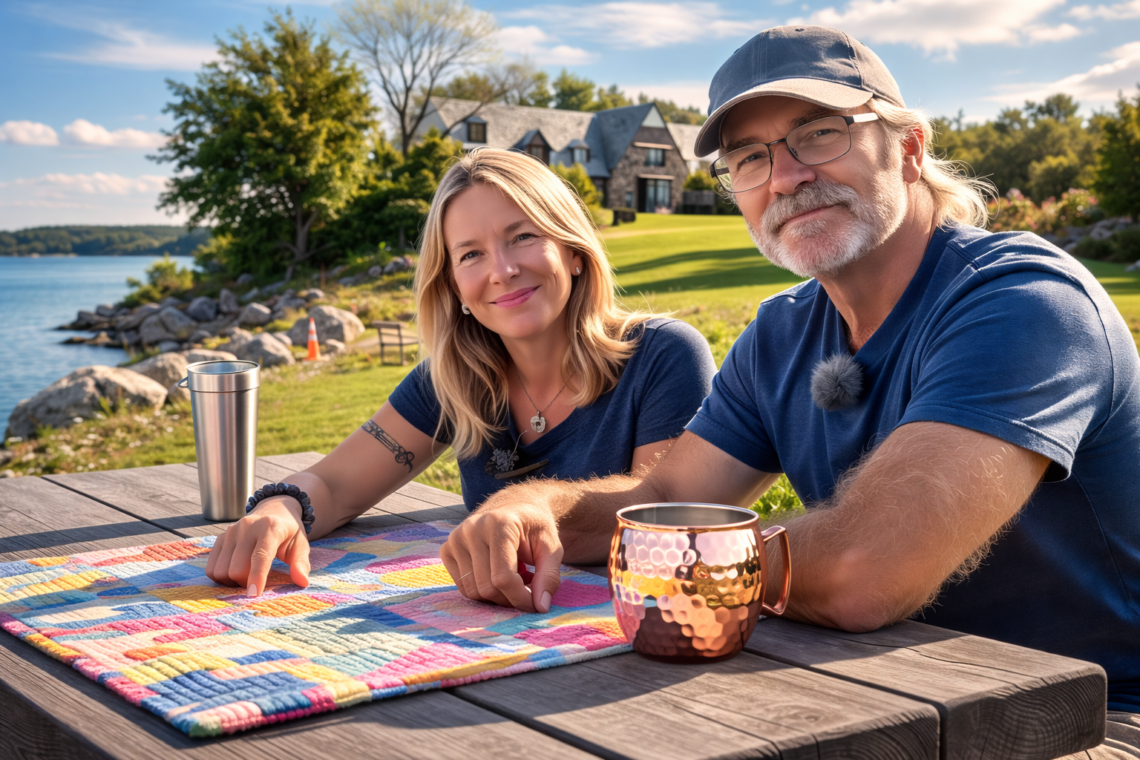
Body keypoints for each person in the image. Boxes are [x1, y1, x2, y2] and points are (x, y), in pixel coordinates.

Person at [441, 26, 1140, 754]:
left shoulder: (1021, 301)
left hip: (1091, 715)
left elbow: (862, 571)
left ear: (908, 148)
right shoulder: (780, 334)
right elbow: (658, 500)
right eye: (749, 158)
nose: (785, 176)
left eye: (819, 133)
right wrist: (532, 506)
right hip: (883, 695)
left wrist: (671, 557)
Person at [204, 148, 716, 615]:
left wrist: (527, 508)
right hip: (481, 640)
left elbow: (664, 513)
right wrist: (281, 506)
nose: (503, 269)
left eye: (523, 236)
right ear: (454, 286)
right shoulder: (452, 377)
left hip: (635, 637)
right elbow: (335, 485)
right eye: (471, 254)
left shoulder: (663, 354)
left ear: (574, 251)